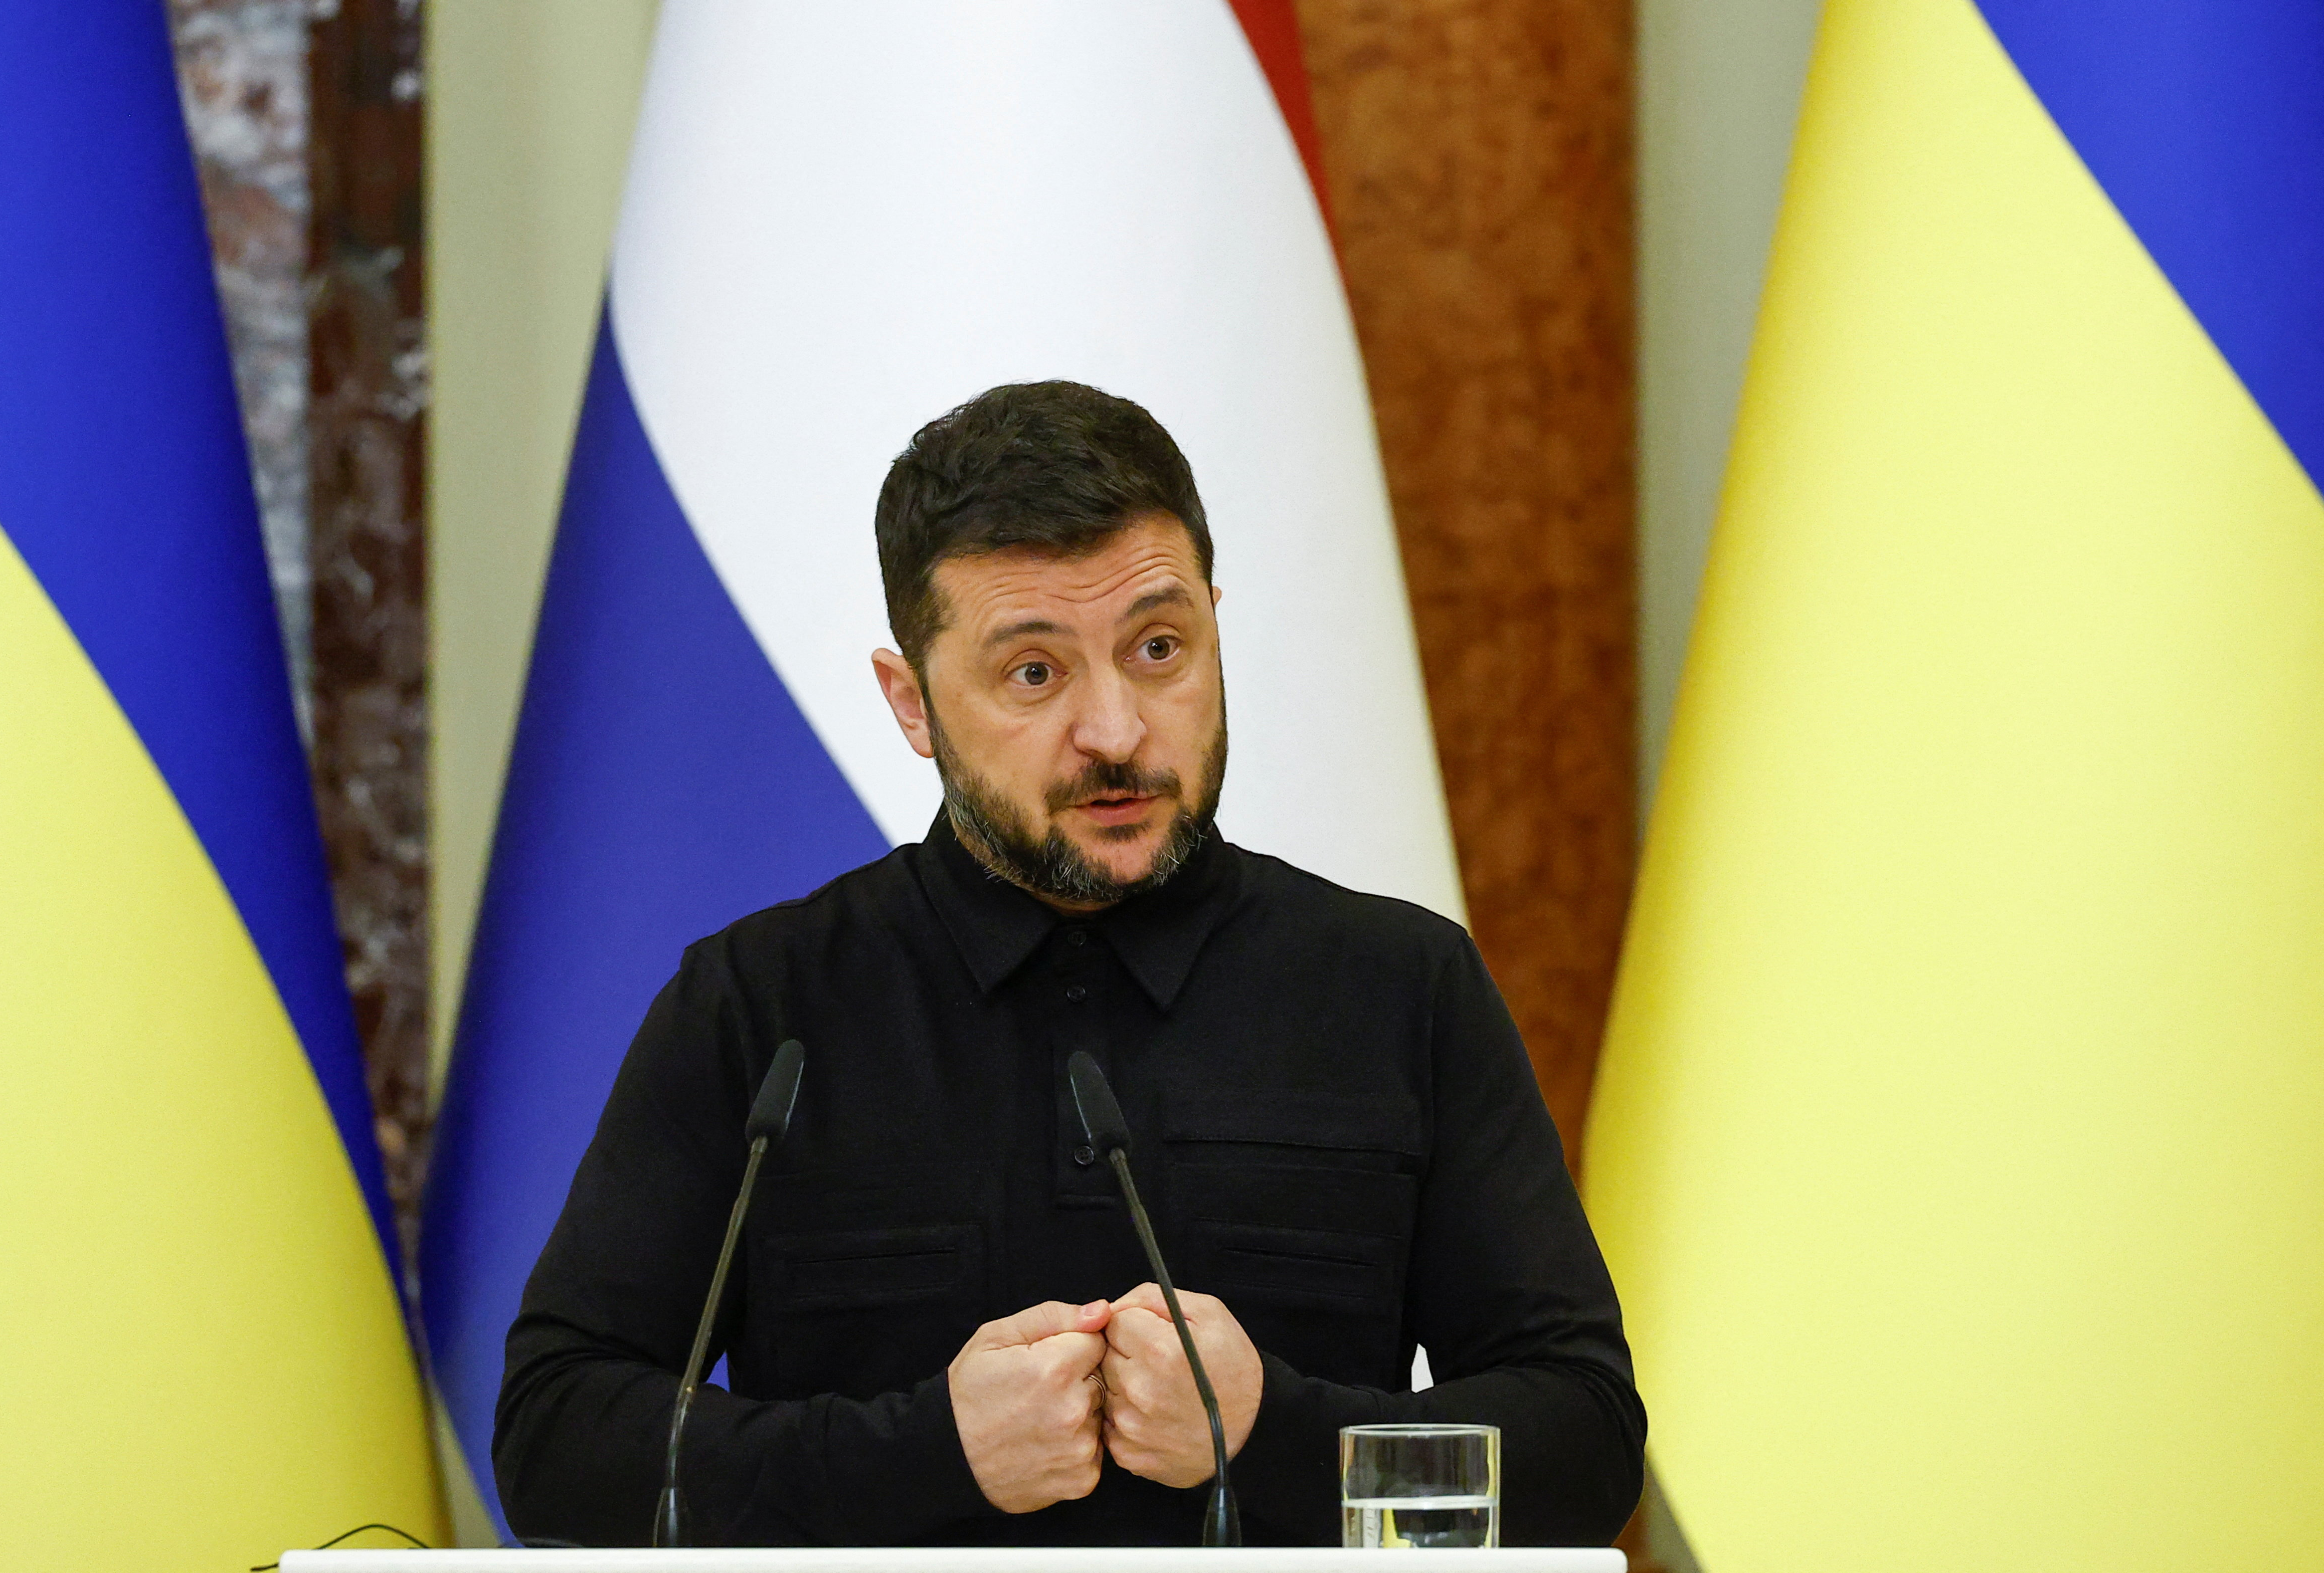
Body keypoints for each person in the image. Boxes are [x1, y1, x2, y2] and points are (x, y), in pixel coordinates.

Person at [494, 381, 1645, 1547]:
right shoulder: (761, 1009)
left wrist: (1279, 1436)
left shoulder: (1401, 988)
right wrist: (923, 1453)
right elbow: (556, 1442)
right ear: (913, 704)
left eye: (1157, 648)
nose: (1115, 730)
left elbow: (1582, 1446)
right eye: (1034, 672)